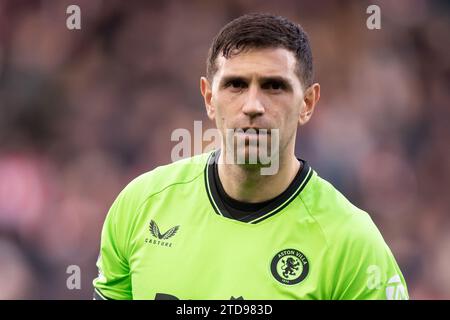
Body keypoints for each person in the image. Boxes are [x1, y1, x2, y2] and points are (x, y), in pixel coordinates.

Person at [93, 13, 408, 300]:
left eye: (274, 86)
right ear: (209, 98)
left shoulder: (351, 243)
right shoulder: (139, 206)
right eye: (236, 85)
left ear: (308, 103)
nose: (253, 105)